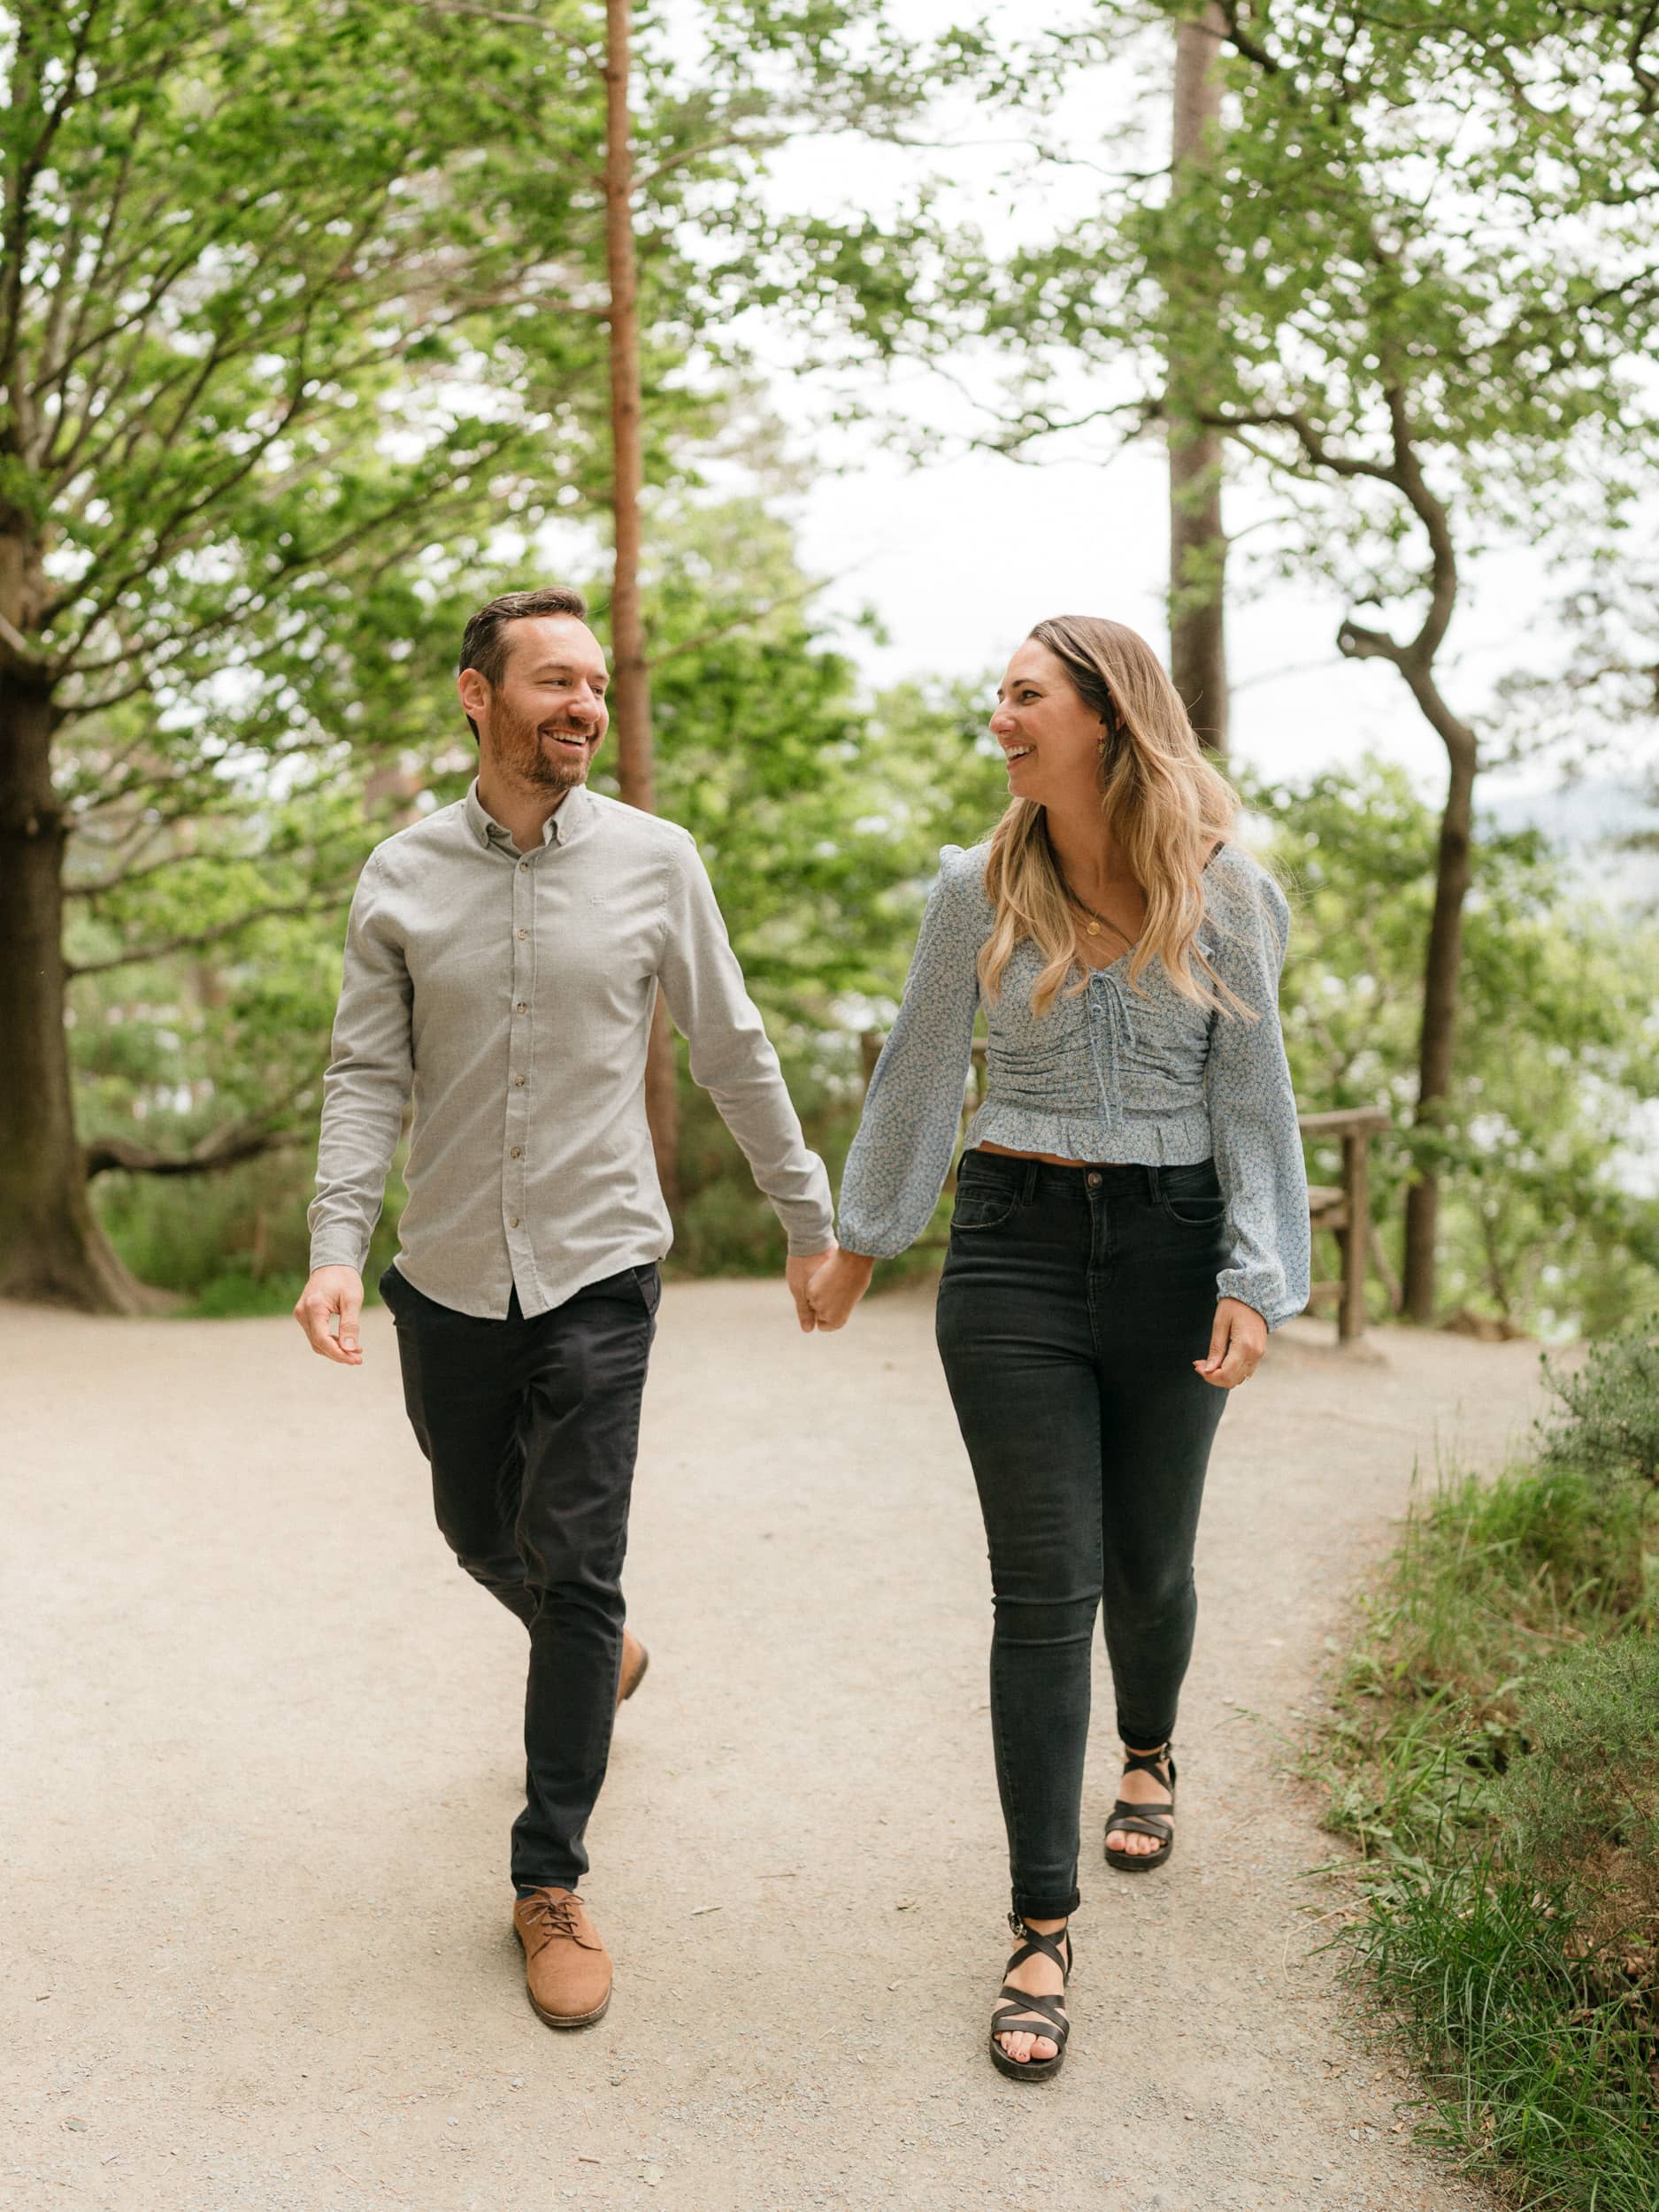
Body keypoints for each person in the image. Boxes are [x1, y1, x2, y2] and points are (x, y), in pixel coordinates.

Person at [295, 586, 836, 2032]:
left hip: (601, 1268)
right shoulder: (400, 874)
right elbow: (366, 1075)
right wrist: (336, 1245)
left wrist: (809, 1221)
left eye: (594, 682)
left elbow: (732, 1046)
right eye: (553, 681)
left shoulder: (658, 862)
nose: (584, 704)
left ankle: (549, 1877)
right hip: (450, 1274)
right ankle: (601, 1657)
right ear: (479, 697)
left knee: (579, 1564)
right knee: (481, 1533)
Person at [808, 615, 1310, 2081]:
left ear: (1106, 717)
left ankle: (1148, 1750)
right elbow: (918, 1071)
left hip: (1173, 1250)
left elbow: (1254, 1094)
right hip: (1012, 1248)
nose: (1000, 719)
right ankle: (1041, 1926)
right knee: (1043, 1592)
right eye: (1001, 696)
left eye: (1025, 696)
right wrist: (861, 1239)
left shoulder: (1226, 893)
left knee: (1149, 1569)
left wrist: (1256, 1275)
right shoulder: (973, 886)